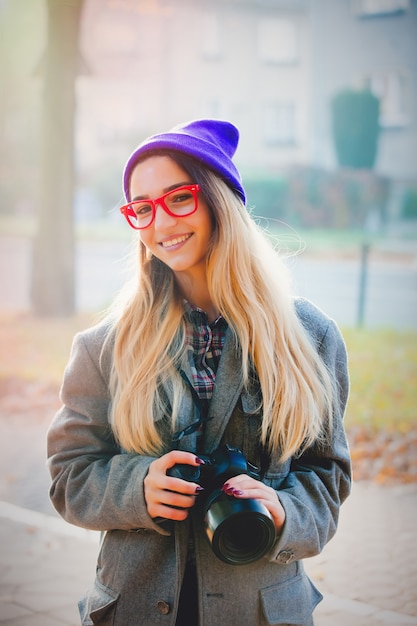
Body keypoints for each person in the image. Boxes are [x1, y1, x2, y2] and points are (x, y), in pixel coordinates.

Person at [47, 119, 351, 626]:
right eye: (142, 208)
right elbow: (68, 475)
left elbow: (327, 476)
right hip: (133, 609)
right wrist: (136, 486)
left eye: (178, 198)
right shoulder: (102, 347)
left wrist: (282, 511)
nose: (161, 223)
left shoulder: (310, 337)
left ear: (219, 201)